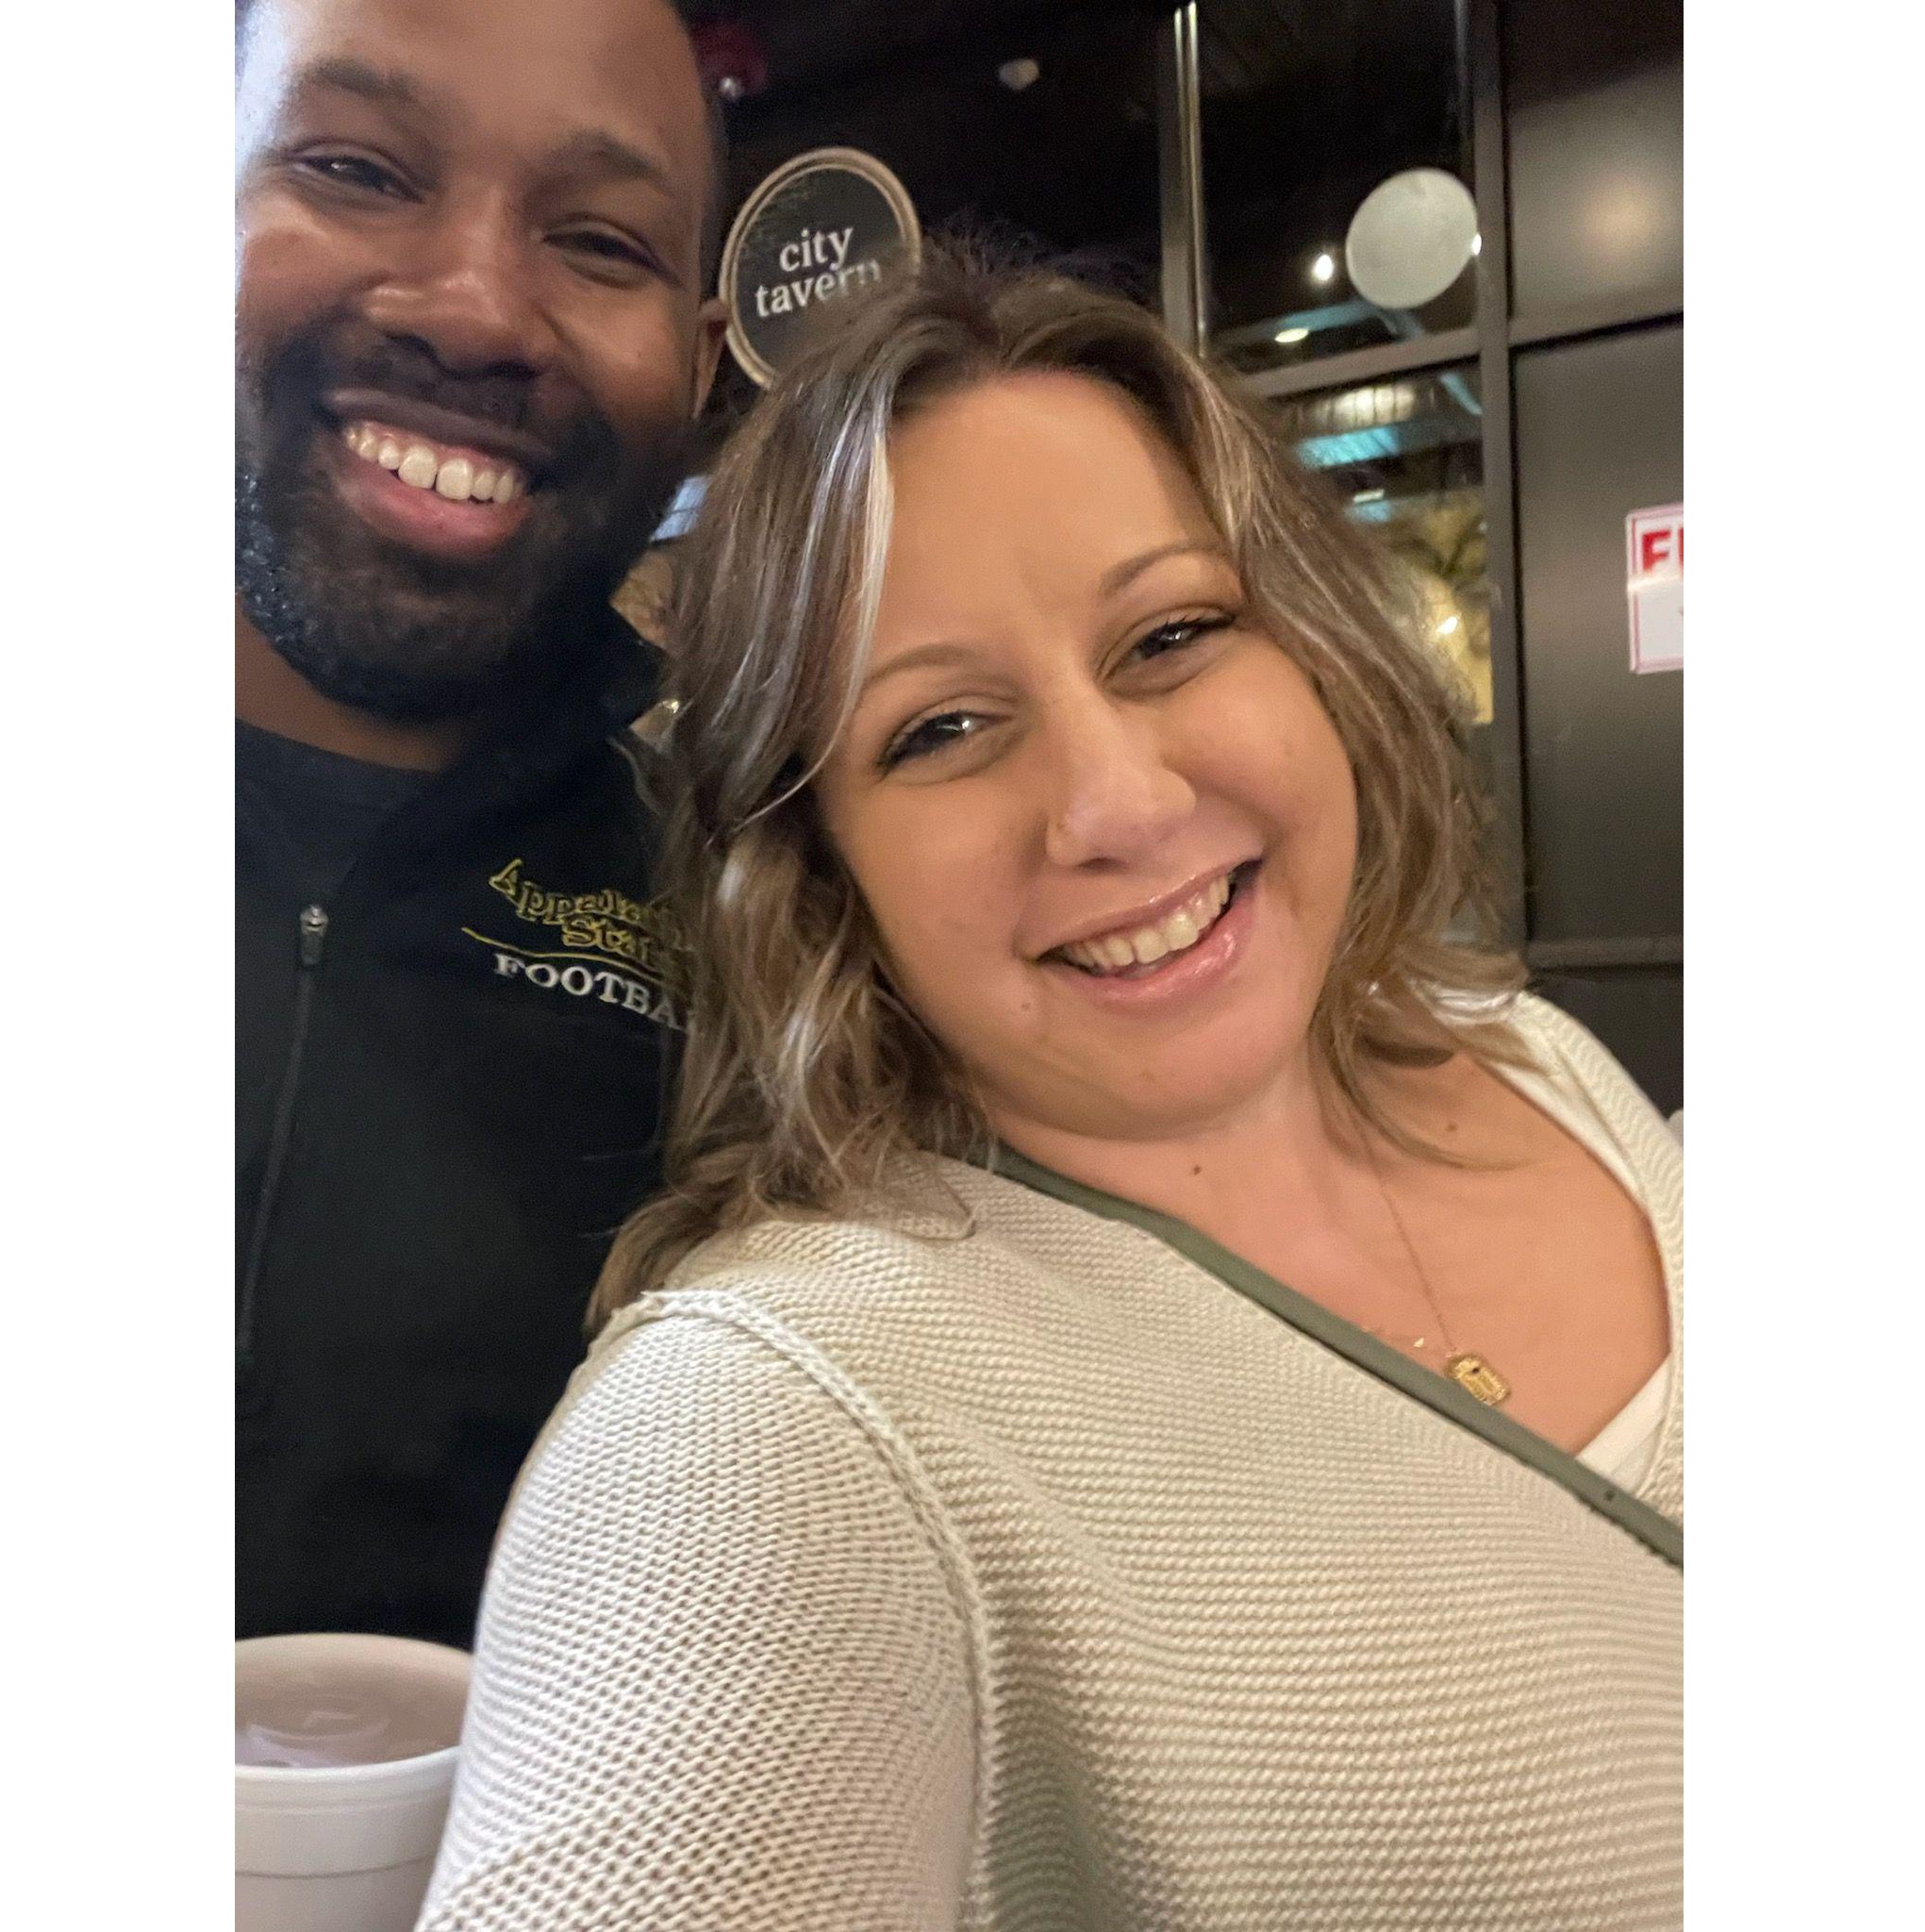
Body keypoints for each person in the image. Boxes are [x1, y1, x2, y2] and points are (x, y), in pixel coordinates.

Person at [422, 254, 1683, 1929]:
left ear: (1315, 648)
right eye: (940, 729)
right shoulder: (770, 1427)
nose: (1117, 803)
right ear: (816, 867)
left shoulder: (1534, 1055)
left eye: (1172, 636)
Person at [234, 0, 727, 1646]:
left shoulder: (767, 944)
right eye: (357, 169)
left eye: (598, 242)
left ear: (699, 366)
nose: (475, 311)